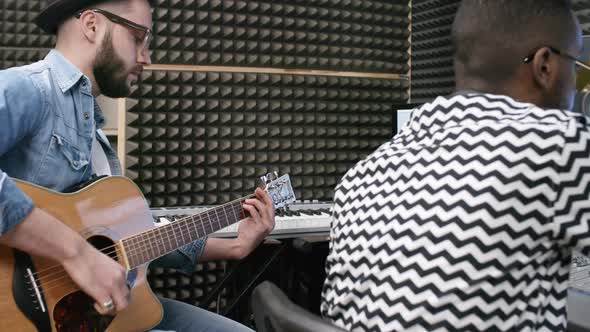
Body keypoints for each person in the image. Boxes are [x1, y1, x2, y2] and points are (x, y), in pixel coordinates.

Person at [0, 0, 275, 331]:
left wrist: (234, 246)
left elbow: (125, 243)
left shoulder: (95, 137)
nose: (146, 57)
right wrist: (76, 253)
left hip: (94, 314)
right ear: (91, 25)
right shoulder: (29, 89)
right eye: (138, 37)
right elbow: (86, 252)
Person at [321, 0, 590, 331]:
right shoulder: (562, 141)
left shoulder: (361, 174)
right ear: (544, 65)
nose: (577, 80)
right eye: (577, 66)